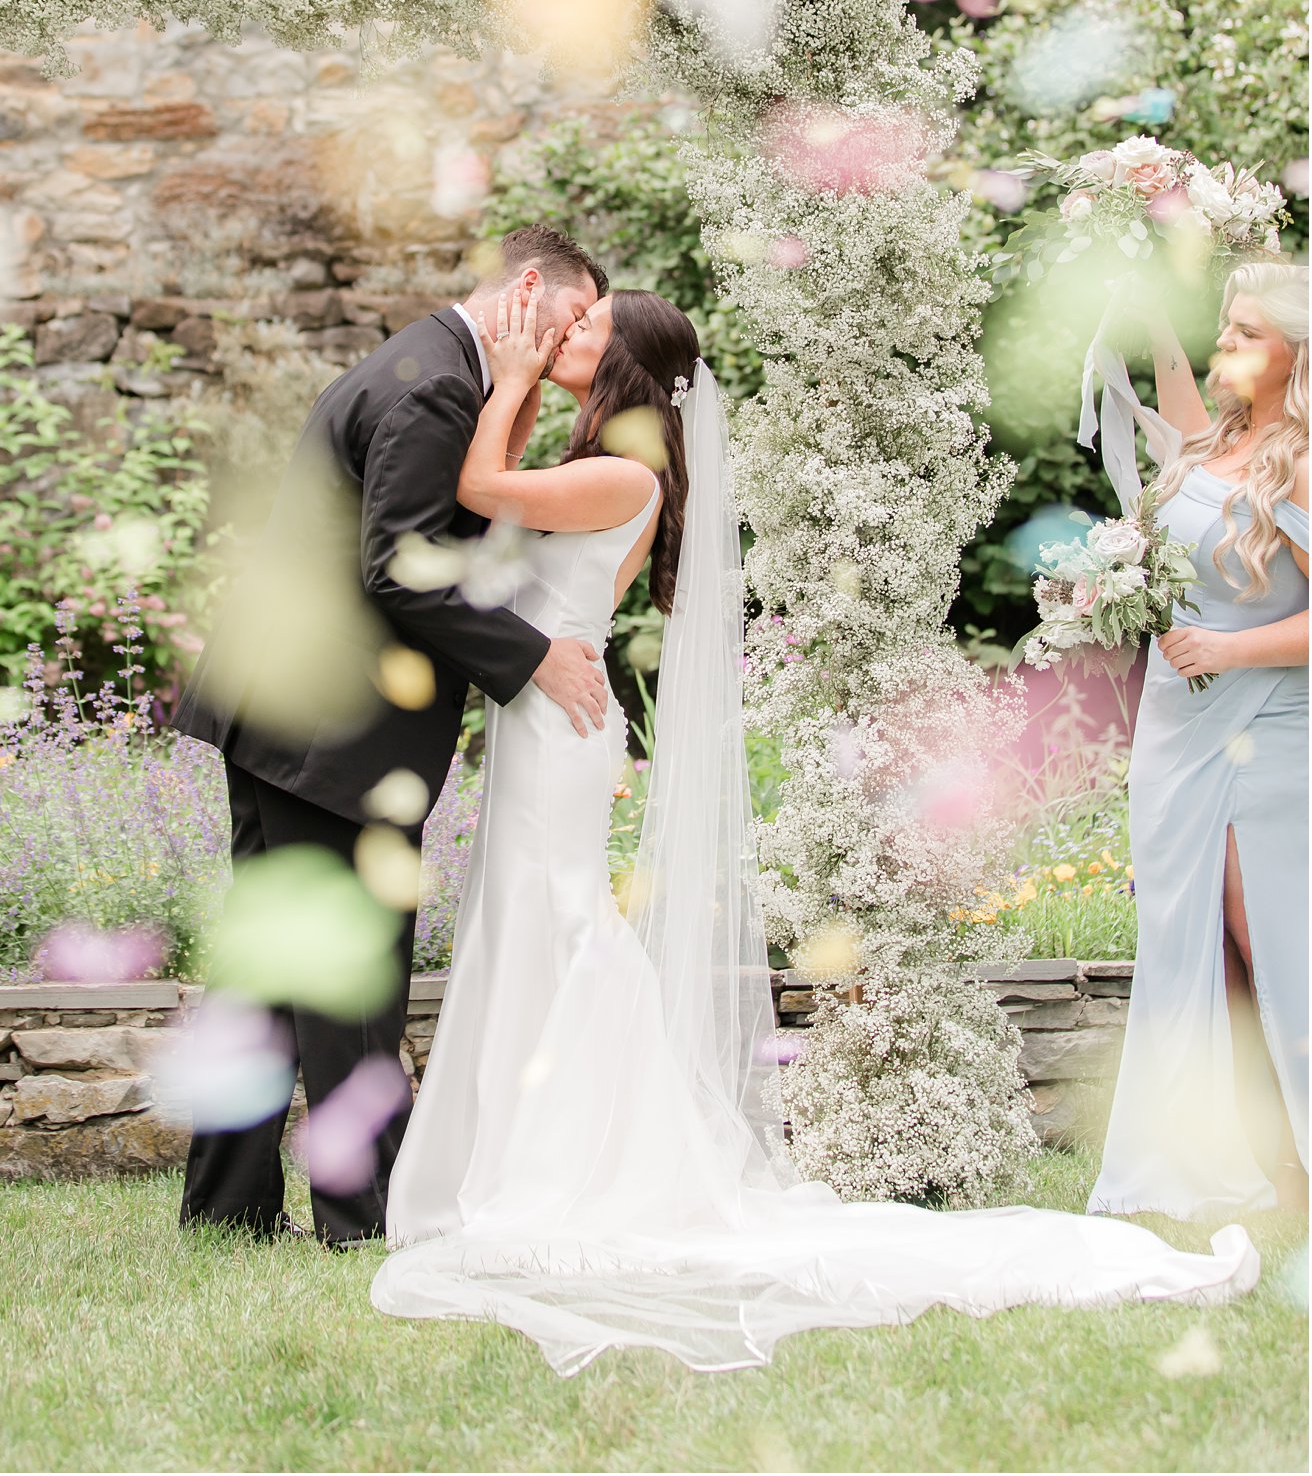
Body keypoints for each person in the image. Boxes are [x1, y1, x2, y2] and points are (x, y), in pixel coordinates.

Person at [370, 287, 1259, 1375]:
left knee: (562, 921)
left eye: (583, 333)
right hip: (541, 719)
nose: (561, 335)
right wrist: (514, 389)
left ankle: (599, 1163)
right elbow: (494, 508)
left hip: (559, 729)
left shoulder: (619, 475)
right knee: (522, 919)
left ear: (626, 375)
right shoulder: (587, 460)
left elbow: (469, 485)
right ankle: (506, 1151)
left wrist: (502, 372)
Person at [171, 224, 611, 1246]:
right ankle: (365, 1216)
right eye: (576, 314)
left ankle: (227, 1210)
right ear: (530, 287)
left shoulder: (439, 366)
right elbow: (398, 567)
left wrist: (519, 394)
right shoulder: (431, 387)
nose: (578, 334)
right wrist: (530, 654)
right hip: (327, 729)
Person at [1090, 262, 1308, 1221]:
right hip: (1175, 728)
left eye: (1247, 332)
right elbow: (1178, 416)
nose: (1229, 344)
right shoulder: (1216, 441)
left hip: (1265, 724)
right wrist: (1155, 322)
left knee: (1275, 941)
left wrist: (1228, 643)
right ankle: (1226, 1159)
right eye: (1225, 327)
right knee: (1192, 941)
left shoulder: (1299, 459)